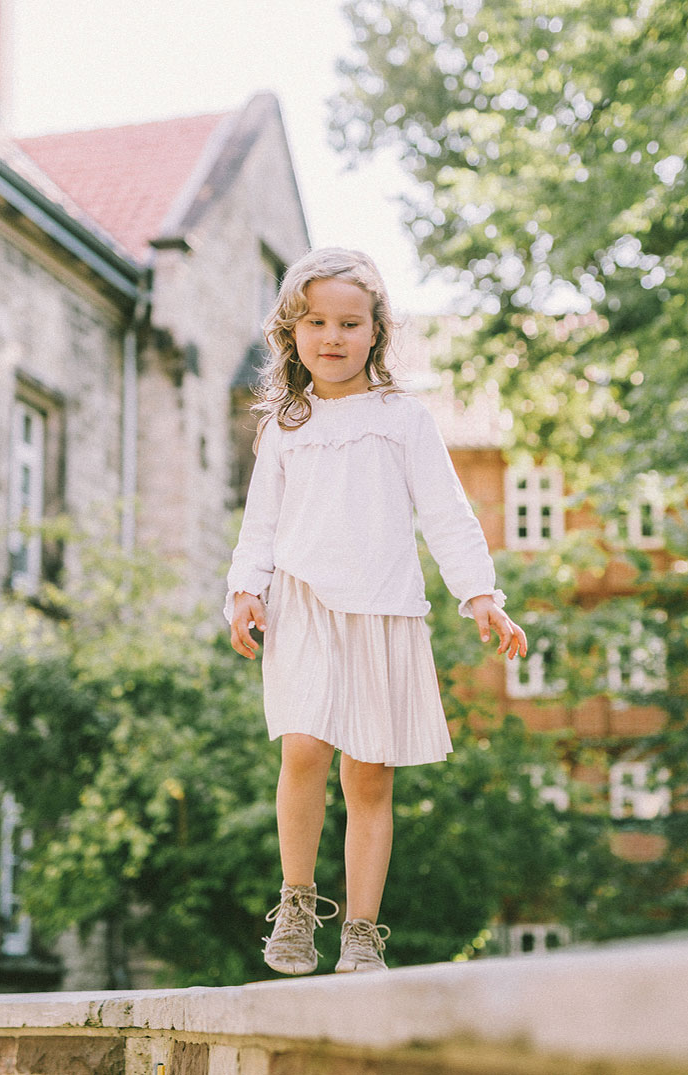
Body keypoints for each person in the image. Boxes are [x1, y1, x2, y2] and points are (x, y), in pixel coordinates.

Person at [224, 247, 528, 975]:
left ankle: (361, 931)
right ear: (292, 332)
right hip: (302, 603)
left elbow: (448, 512)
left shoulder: (403, 418)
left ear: (377, 332)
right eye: (316, 321)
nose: (332, 335)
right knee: (304, 749)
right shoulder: (283, 424)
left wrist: (480, 592)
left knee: (369, 775)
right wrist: (244, 589)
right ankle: (297, 904)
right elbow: (259, 521)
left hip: (385, 607)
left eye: (349, 322)